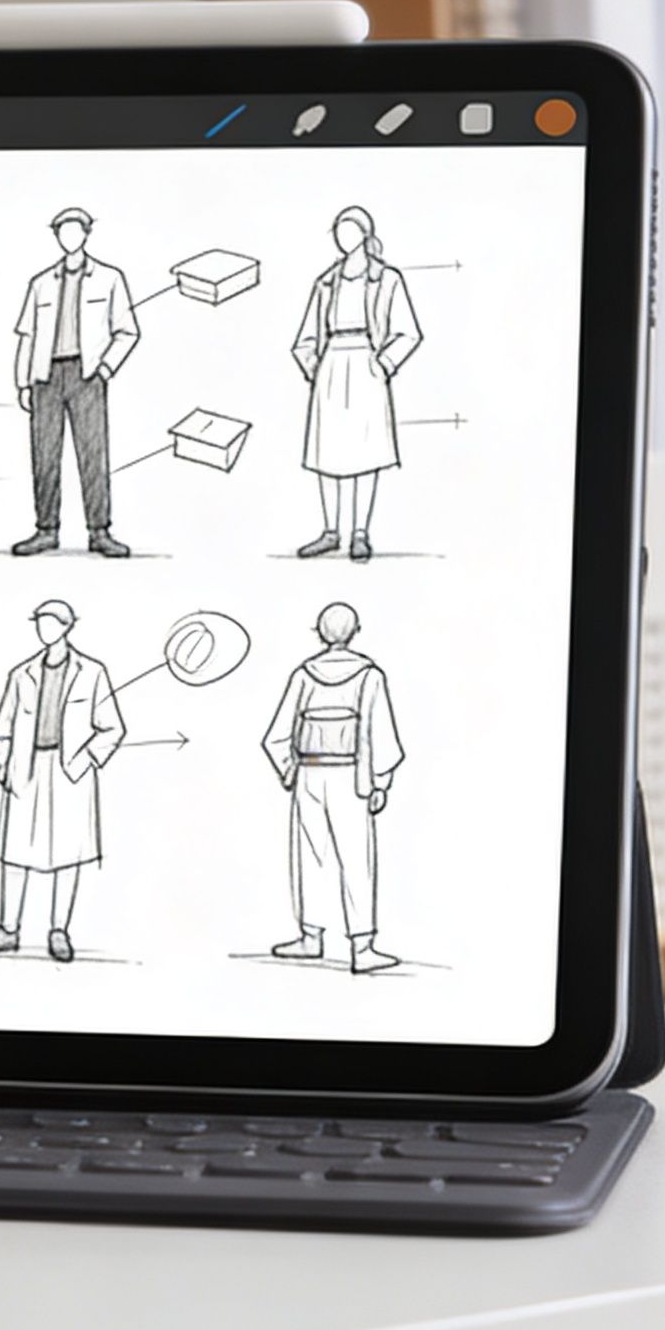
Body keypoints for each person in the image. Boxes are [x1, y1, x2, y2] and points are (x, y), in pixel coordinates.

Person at [0, 600, 126, 963]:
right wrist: (5, 766)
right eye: (40, 622)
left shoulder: (93, 672)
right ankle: (8, 930)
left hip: (70, 771)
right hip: (27, 768)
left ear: (68, 626)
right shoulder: (21, 674)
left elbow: (113, 727)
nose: (44, 628)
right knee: (14, 853)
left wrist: (85, 760)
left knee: (69, 853)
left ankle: (59, 930)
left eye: (52, 622)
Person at [262, 601, 407, 973]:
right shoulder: (369, 675)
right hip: (352, 777)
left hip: (309, 773)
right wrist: (380, 782)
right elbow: (382, 733)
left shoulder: (304, 674)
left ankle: (311, 938)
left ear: (320, 633)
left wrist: (288, 771)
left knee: (311, 855)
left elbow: (277, 735)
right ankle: (363, 947)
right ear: (355, 632)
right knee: (357, 858)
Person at [290, 205, 422, 562]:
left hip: (367, 364)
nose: (343, 236)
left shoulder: (388, 278)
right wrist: (314, 368)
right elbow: (304, 338)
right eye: (338, 230)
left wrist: (383, 364)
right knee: (326, 452)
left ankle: (360, 533)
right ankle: (331, 532)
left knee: (366, 452)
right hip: (331, 366)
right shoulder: (325, 282)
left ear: (365, 234)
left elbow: (408, 332)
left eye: (350, 229)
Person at [9, 206, 142, 558]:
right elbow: (26, 334)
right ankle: (46, 530)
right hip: (45, 378)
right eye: (62, 231)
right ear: (56, 235)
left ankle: (99, 532)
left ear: (86, 233)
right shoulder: (39, 283)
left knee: (93, 454)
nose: (69, 237)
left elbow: (128, 331)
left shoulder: (110, 278)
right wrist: (23, 382)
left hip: (86, 376)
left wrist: (105, 370)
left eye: (75, 230)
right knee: (44, 456)